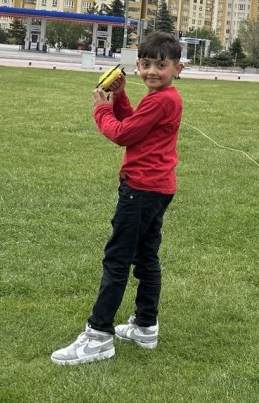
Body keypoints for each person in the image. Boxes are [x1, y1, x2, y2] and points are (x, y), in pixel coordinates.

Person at [52, 32, 184, 366]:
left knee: (117, 259)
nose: (152, 71)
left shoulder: (162, 100)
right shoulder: (161, 98)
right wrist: (121, 97)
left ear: (177, 68)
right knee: (145, 257)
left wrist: (101, 110)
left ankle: (98, 336)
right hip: (158, 188)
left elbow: (122, 133)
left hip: (141, 190)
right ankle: (144, 325)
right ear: (137, 64)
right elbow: (134, 124)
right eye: (146, 63)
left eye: (161, 65)